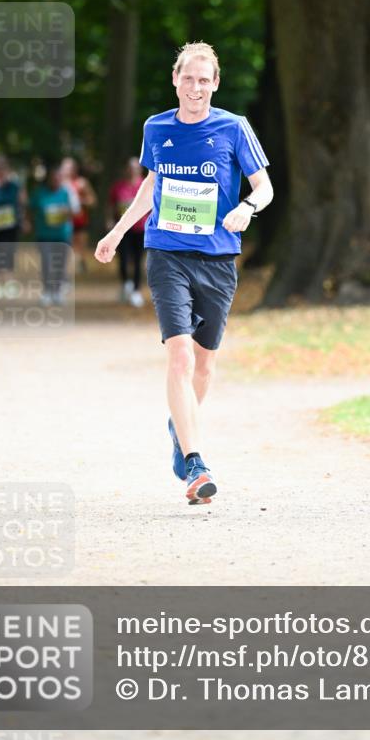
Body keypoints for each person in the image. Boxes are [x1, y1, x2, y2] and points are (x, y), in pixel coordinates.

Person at [95, 41, 273, 505]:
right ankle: (196, 462)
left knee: (205, 363)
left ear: (215, 83)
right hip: (167, 253)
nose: (196, 87)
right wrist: (116, 232)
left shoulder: (234, 128)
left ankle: (180, 429)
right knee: (180, 357)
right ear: (176, 80)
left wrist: (247, 208)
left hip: (217, 258)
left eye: (204, 79)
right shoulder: (155, 128)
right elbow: (151, 185)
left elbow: (265, 187)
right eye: (188, 78)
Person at [29, 163, 78, 305]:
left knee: (60, 264)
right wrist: (30, 223)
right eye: (53, 178)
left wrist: (65, 212)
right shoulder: (39, 193)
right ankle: (47, 291)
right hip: (44, 235)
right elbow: (30, 209)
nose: (55, 180)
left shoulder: (67, 192)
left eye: (58, 178)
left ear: (61, 178)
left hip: (63, 235)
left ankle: (56, 292)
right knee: (46, 263)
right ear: (49, 179)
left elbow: (76, 211)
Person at [108, 157, 148, 307]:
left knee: (138, 261)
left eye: (135, 168)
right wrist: (110, 220)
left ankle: (137, 291)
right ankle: (126, 283)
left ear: (140, 169)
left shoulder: (145, 185)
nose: (133, 171)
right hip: (123, 229)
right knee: (123, 259)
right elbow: (111, 205)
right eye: (130, 168)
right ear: (126, 170)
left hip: (141, 228)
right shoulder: (118, 187)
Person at [0, 154, 27, 285]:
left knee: (8, 252)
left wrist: (23, 219)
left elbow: (23, 203)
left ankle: (9, 281)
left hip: (10, 225)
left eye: (1, 169)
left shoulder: (15, 185)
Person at [60, 157, 97, 274]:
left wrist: (81, 201)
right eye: (65, 167)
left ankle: (79, 268)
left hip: (79, 221)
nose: (67, 170)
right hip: (62, 222)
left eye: (70, 168)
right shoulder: (58, 184)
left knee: (79, 249)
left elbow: (93, 201)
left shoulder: (82, 183)